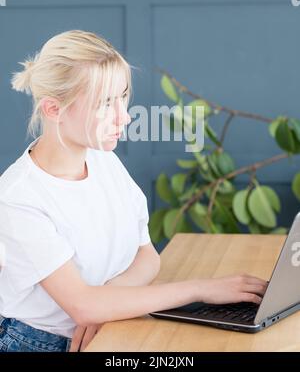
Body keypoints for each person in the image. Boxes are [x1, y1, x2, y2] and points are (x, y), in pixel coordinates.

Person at [0, 30, 267, 352]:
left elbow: (147, 256)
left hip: (109, 328)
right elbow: (83, 305)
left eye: (123, 97)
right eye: (104, 103)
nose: (123, 116)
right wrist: (201, 289)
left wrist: (106, 304)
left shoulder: (104, 161)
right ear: (54, 110)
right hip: (39, 343)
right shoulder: (18, 198)